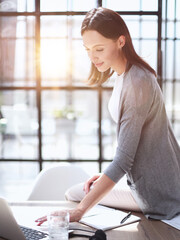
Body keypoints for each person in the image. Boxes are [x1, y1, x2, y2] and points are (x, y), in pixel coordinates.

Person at [36, 7, 180, 226]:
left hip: (159, 193)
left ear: (121, 41)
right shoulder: (125, 74)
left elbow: (123, 160)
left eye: (99, 49)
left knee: (75, 196)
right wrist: (105, 176)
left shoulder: (137, 82)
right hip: (146, 182)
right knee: (79, 192)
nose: (93, 57)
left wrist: (81, 211)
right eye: (88, 50)